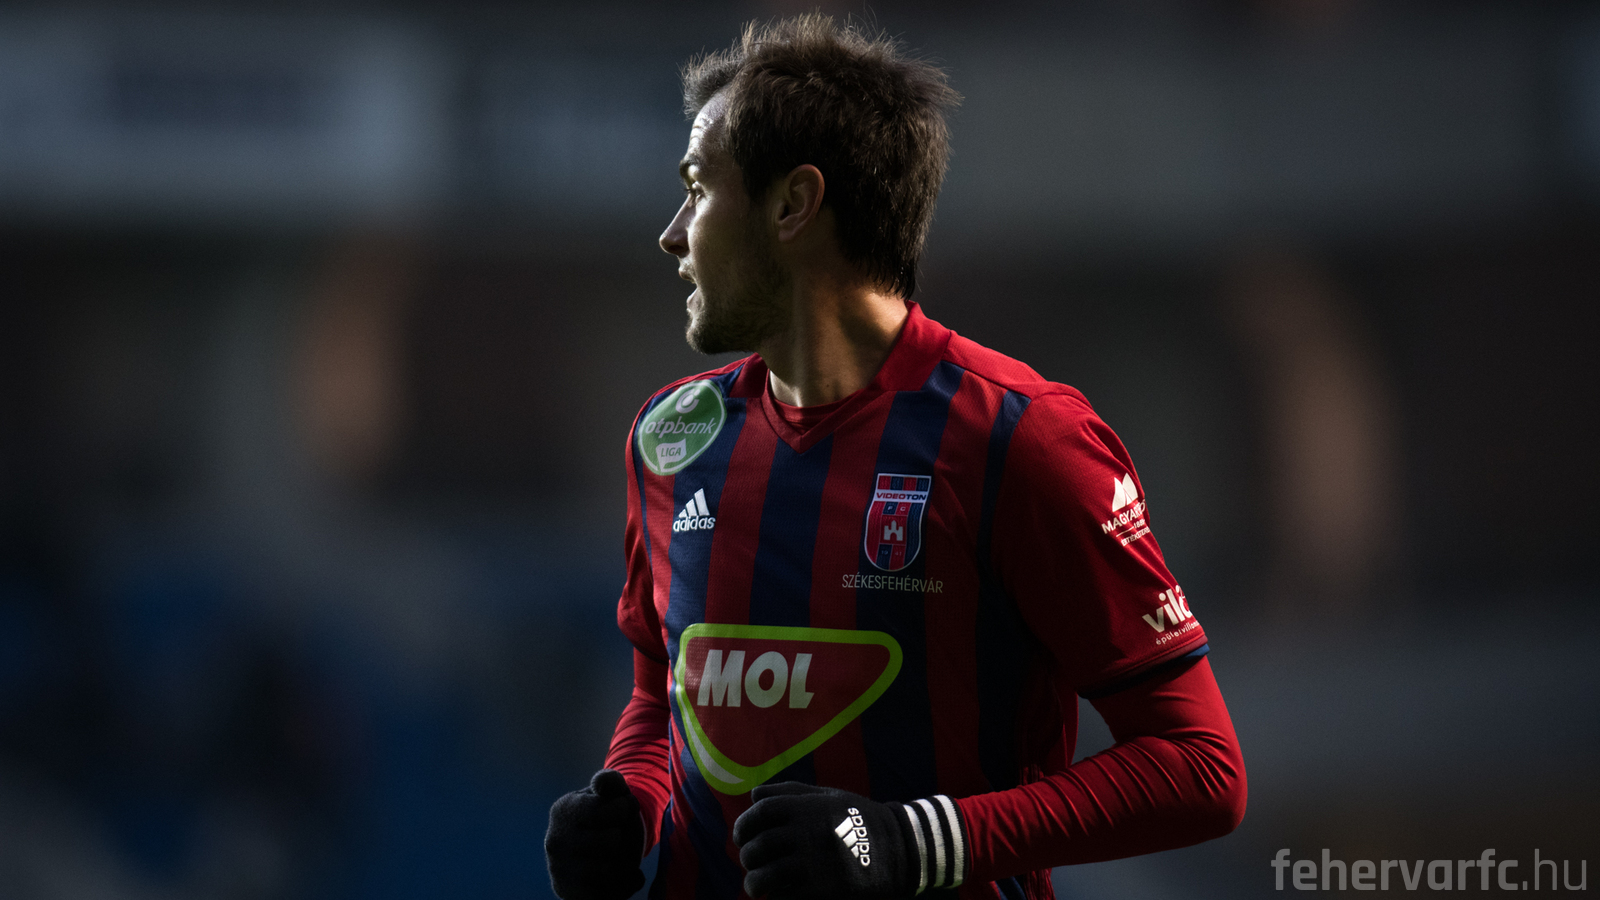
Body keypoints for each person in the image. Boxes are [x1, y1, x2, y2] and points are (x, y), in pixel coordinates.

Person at [544, 14, 1246, 900]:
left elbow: (1200, 767)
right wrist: (628, 809)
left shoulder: (1022, 439)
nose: (673, 234)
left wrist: (911, 843)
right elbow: (663, 704)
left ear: (793, 205)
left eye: (697, 189)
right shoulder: (673, 436)